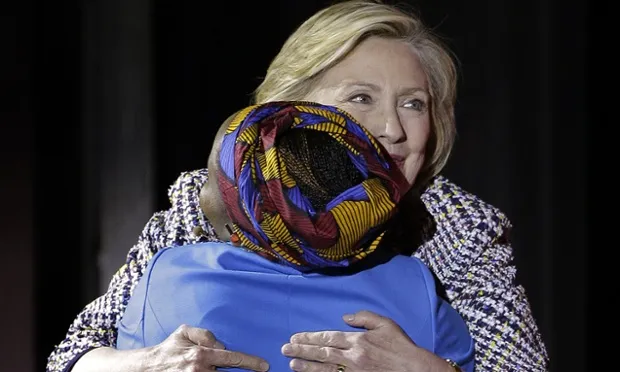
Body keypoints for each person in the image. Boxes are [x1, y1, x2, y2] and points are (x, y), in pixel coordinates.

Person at [46, 1, 549, 371]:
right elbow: (72, 356)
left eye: (413, 103)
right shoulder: (209, 203)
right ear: (290, 111)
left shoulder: (455, 226)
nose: (392, 128)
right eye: (361, 98)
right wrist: (144, 363)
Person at [114, 101, 475, 372]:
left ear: (237, 221)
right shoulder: (416, 288)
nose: (199, 192)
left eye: (210, 179)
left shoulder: (168, 278)